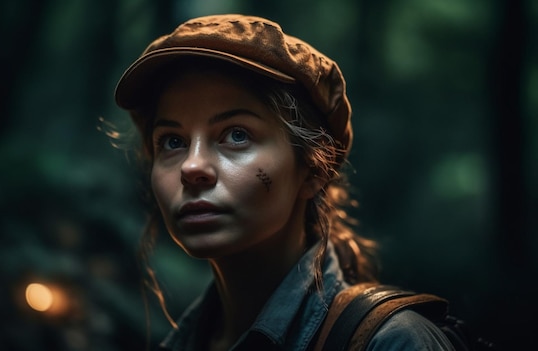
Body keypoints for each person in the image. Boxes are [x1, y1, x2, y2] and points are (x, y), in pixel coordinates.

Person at [112, 14, 456, 351]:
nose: (192, 166)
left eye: (236, 134)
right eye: (172, 141)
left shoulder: (392, 342)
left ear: (313, 169)